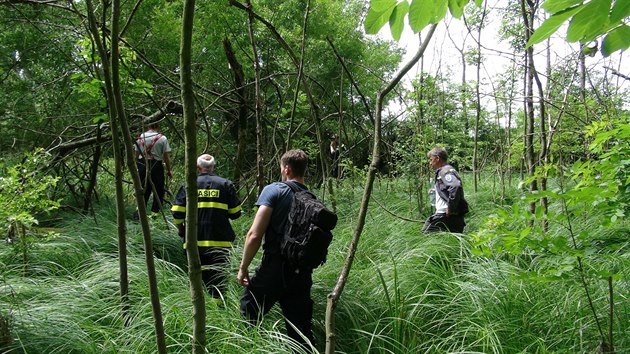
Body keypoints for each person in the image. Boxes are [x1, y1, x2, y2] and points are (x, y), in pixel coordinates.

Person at [237, 149, 315, 349]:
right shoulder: (312, 198)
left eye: (281, 167)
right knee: (301, 333)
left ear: (286, 169)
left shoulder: (274, 190)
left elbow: (254, 235)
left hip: (274, 268)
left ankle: (246, 348)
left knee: (249, 314)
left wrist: (243, 266)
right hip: (302, 273)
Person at [171, 154, 242, 300]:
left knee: (197, 279)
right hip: (221, 243)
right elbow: (235, 213)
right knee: (218, 280)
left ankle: (198, 308)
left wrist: (181, 229)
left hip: (194, 243)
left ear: (197, 168)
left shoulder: (189, 184)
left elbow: (177, 213)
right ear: (213, 167)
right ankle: (218, 309)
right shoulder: (225, 184)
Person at [422, 147, 469, 233]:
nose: (430, 163)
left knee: (425, 236)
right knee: (453, 243)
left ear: (437, 158)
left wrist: (451, 207)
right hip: (452, 215)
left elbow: (455, 186)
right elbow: (448, 189)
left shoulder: (445, 171)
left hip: (445, 214)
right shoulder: (446, 170)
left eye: (431, 159)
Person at [135, 119, 173, 217]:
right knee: (158, 190)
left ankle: (138, 214)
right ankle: (154, 215)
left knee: (143, 189)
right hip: (156, 165)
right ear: (158, 126)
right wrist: (169, 170)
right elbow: (166, 157)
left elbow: (136, 155)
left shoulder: (140, 137)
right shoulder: (162, 138)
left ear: (148, 126)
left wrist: (137, 167)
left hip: (142, 164)